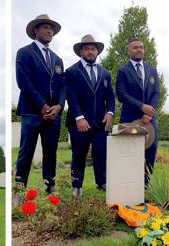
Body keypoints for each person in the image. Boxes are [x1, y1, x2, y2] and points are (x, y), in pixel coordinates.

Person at [14, 14, 66, 196]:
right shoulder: (25, 53)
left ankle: (49, 189)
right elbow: (23, 82)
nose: (49, 30)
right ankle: (19, 191)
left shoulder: (58, 60)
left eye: (51, 28)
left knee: (50, 153)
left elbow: (62, 86)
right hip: (32, 112)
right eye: (45, 27)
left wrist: (58, 106)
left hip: (53, 115)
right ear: (35, 30)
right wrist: (43, 105)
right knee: (26, 153)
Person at [65, 35, 115, 197]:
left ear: (97, 52)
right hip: (79, 123)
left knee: (101, 153)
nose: (90, 52)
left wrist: (110, 113)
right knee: (79, 155)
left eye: (93, 49)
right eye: (87, 48)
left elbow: (110, 97)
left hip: (100, 124)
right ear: (81, 51)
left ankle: (102, 183)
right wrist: (79, 117)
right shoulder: (72, 72)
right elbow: (71, 96)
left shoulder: (105, 73)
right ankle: (76, 186)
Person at [116, 37, 160, 185]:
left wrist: (148, 112)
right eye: (135, 47)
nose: (139, 49)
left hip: (150, 117)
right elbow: (121, 94)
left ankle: (145, 183)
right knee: (129, 150)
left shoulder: (152, 70)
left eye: (141, 47)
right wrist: (141, 107)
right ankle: (130, 182)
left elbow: (156, 93)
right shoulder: (123, 71)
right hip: (130, 116)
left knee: (151, 148)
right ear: (129, 50)